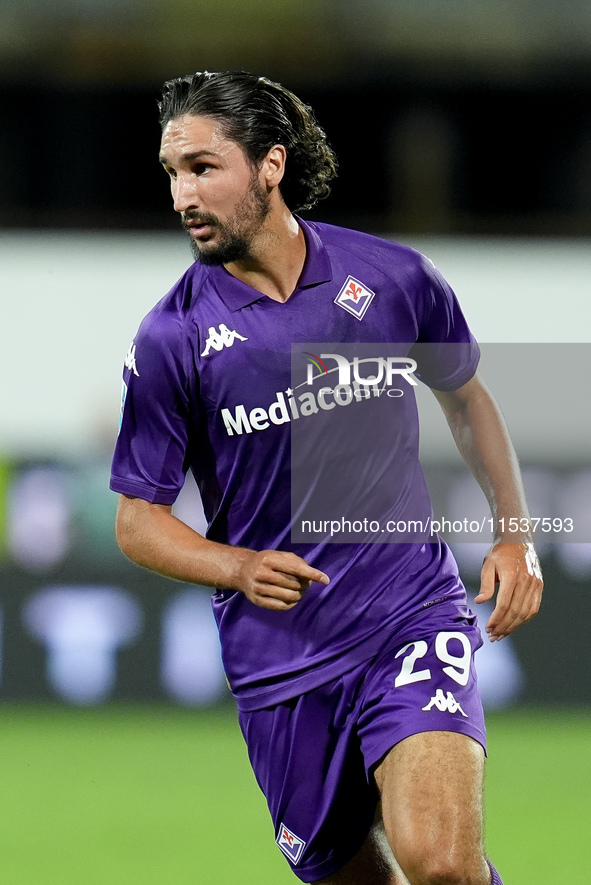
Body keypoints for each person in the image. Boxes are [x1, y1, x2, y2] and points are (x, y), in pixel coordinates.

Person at [110, 70, 543, 885]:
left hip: (406, 613)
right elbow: (138, 518)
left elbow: (465, 397)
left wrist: (515, 535)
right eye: (172, 173)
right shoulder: (172, 338)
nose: (181, 196)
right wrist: (236, 565)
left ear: (269, 165)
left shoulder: (391, 278)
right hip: (280, 660)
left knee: (441, 864)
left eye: (203, 168)